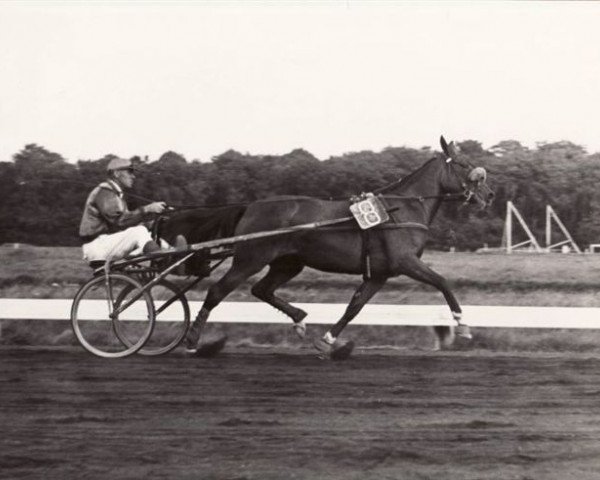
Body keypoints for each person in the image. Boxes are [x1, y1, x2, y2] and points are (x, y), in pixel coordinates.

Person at [78, 157, 186, 266]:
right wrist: (148, 209)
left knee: (148, 233)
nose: (133, 176)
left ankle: (173, 257)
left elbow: (124, 225)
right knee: (138, 232)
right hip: (97, 246)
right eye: (129, 172)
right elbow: (121, 222)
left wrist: (154, 223)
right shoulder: (106, 192)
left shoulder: (114, 193)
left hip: (104, 243)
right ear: (116, 173)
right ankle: (165, 259)